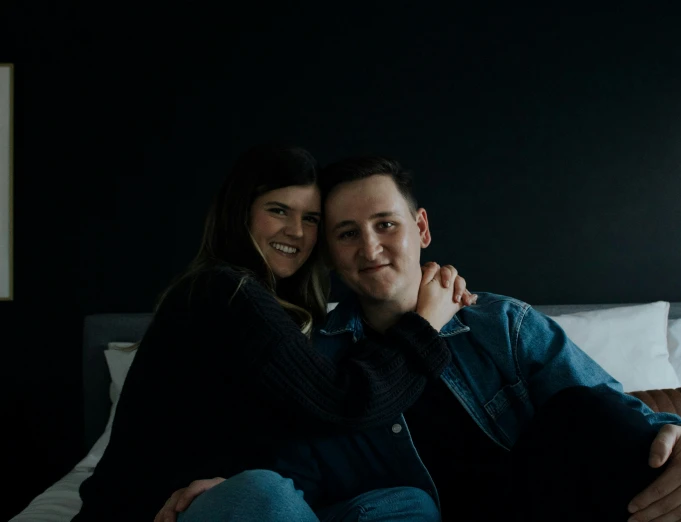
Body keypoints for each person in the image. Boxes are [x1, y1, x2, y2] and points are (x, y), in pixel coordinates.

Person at [161, 155, 681, 521]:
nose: (371, 247)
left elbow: (618, 422)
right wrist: (230, 489)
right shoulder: (323, 364)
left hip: (568, 508)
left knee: (597, 416)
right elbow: (297, 487)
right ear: (329, 249)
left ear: (421, 228)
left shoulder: (498, 322)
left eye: (386, 225)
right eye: (347, 233)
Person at [72, 145, 477, 522]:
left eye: (311, 219)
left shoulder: (283, 313)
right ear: (242, 212)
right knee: (263, 493)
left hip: (224, 497)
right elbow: (345, 403)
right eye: (279, 210)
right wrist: (426, 324)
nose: (297, 232)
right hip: (154, 510)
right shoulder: (223, 290)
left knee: (407, 504)